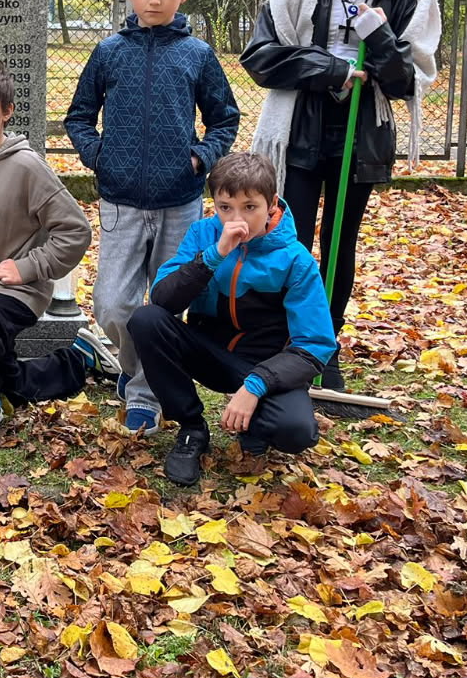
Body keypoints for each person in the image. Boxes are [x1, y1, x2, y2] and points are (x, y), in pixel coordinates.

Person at [240, 0, 440, 406]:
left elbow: (404, 82)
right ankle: (286, 343)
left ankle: (323, 349)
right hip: (299, 128)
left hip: (362, 133)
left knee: (339, 243)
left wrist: (377, 38)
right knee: (293, 240)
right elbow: (260, 57)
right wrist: (331, 69)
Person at [63, 0, 240, 436]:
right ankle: (133, 368)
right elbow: (79, 116)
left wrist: (200, 158)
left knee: (161, 304)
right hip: (119, 201)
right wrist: (99, 157)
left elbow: (224, 119)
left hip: (178, 203)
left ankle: (143, 391)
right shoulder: (108, 52)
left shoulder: (198, 55)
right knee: (113, 305)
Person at [127, 152, 336, 486]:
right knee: (146, 320)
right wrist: (213, 256)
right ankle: (192, 429)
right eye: (225, 208)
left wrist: (255, 385)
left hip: (264, 365)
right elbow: (163, 299)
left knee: (296, 432)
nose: (235, 219)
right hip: (209, 352)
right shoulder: (202, 234)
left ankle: (254, 425)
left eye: (249, 207)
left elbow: (315, 345)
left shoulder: (295, 259)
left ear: (271, 204)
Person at [0, 61, 99, 444]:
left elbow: (75, 231)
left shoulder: (27, 166)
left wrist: (27, 268)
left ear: (6, 111)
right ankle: (77, 361)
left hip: (15, 288)